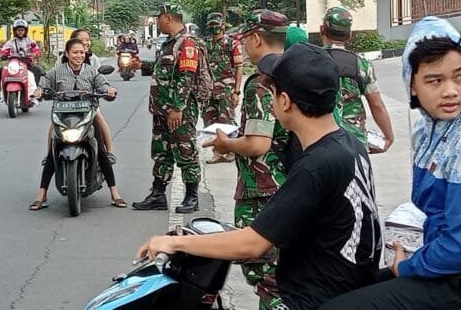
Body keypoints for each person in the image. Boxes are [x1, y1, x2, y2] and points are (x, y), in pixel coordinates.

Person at [320, 17, 461, 310]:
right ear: (411, 85)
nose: (451, 90)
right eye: (435, 80)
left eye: (460, 76)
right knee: (346, 288)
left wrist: (409, 268)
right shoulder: (429, 129)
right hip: (456, 270)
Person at [138, 43, 381, 310]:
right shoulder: (350, 145)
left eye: (273, 93)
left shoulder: (317, 165)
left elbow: (252, 243)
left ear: (285, 102)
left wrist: (173, 241)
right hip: (348, 288)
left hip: (312, 299)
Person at [203, 10, 291, 309]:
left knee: (268, 281)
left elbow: (257, 144)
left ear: (255, 38)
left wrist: (225, 143)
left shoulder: (261, 81)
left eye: (245, 40)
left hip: (262, 192)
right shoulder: (295, 70)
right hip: (294, 184)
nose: (242, 47)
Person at [31, 38, 125, 209]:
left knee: (101, 152)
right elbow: (43, 84)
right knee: (53, 151)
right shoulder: (56, 72)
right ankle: (41, 194)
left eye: (82, 52)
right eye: (75, 52)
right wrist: (39, 91)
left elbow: (104, 85)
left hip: (86, 116)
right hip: (63, 116)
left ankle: (115, 193)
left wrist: (109, 91)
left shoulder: (91, 72)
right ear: (67, 54)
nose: (79, 55)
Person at [133, 3, 207, 214]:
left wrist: (177, 107)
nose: (157, 22)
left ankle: (192, 196)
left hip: (178, 111)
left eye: (158, 18)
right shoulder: (170, 43)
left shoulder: (187, 43)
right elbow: (165, 70)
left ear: (167, 18)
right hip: (161, 110)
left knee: (185, 151)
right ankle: (157, 194)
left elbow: (186, 76)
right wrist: (144, 66)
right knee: (162, 152)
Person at [319, 7, 395, 153]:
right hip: (355, 143)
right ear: (349, 35)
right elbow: (377, 105)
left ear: (322, 30)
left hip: (321, 142)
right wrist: (388, 136)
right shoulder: (362, 65)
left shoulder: (311, 61)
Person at [67, 28, 116, 160]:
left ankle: (109, 152)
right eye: (81, 40)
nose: (85, 42)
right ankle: (50, 154)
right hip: (65, 103)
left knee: (99, 118)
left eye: (87, 40)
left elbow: (100, 80)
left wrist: (107, 90)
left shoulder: (93, 60)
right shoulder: (61, 60)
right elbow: (51, 79)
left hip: (89, 102)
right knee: (54, 123)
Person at [203, 12, 244, 164]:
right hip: (208, 90)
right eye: (211, 25)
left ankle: (232, 151)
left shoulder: (232, 43)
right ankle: (218, 152)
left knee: (226, 120)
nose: (214, 27)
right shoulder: (205, 45)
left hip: (226, 89)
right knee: (209, 121)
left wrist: (236, 91)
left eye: (216, 24)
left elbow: (239, 67)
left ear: (222, 25)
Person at [0, 19, 43, 102]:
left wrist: (34, 54)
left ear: (25, 31)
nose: (20, 32)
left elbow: (36, 50)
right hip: (13, 64)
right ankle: (3, 95)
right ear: (15, 31)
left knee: (33, 73)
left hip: (26, 64)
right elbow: (4, 50)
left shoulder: (30, 41)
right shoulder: (11, 41)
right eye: (18, 30)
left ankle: (33, 96)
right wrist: (2, 54)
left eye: (22, 30)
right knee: (0, 71)